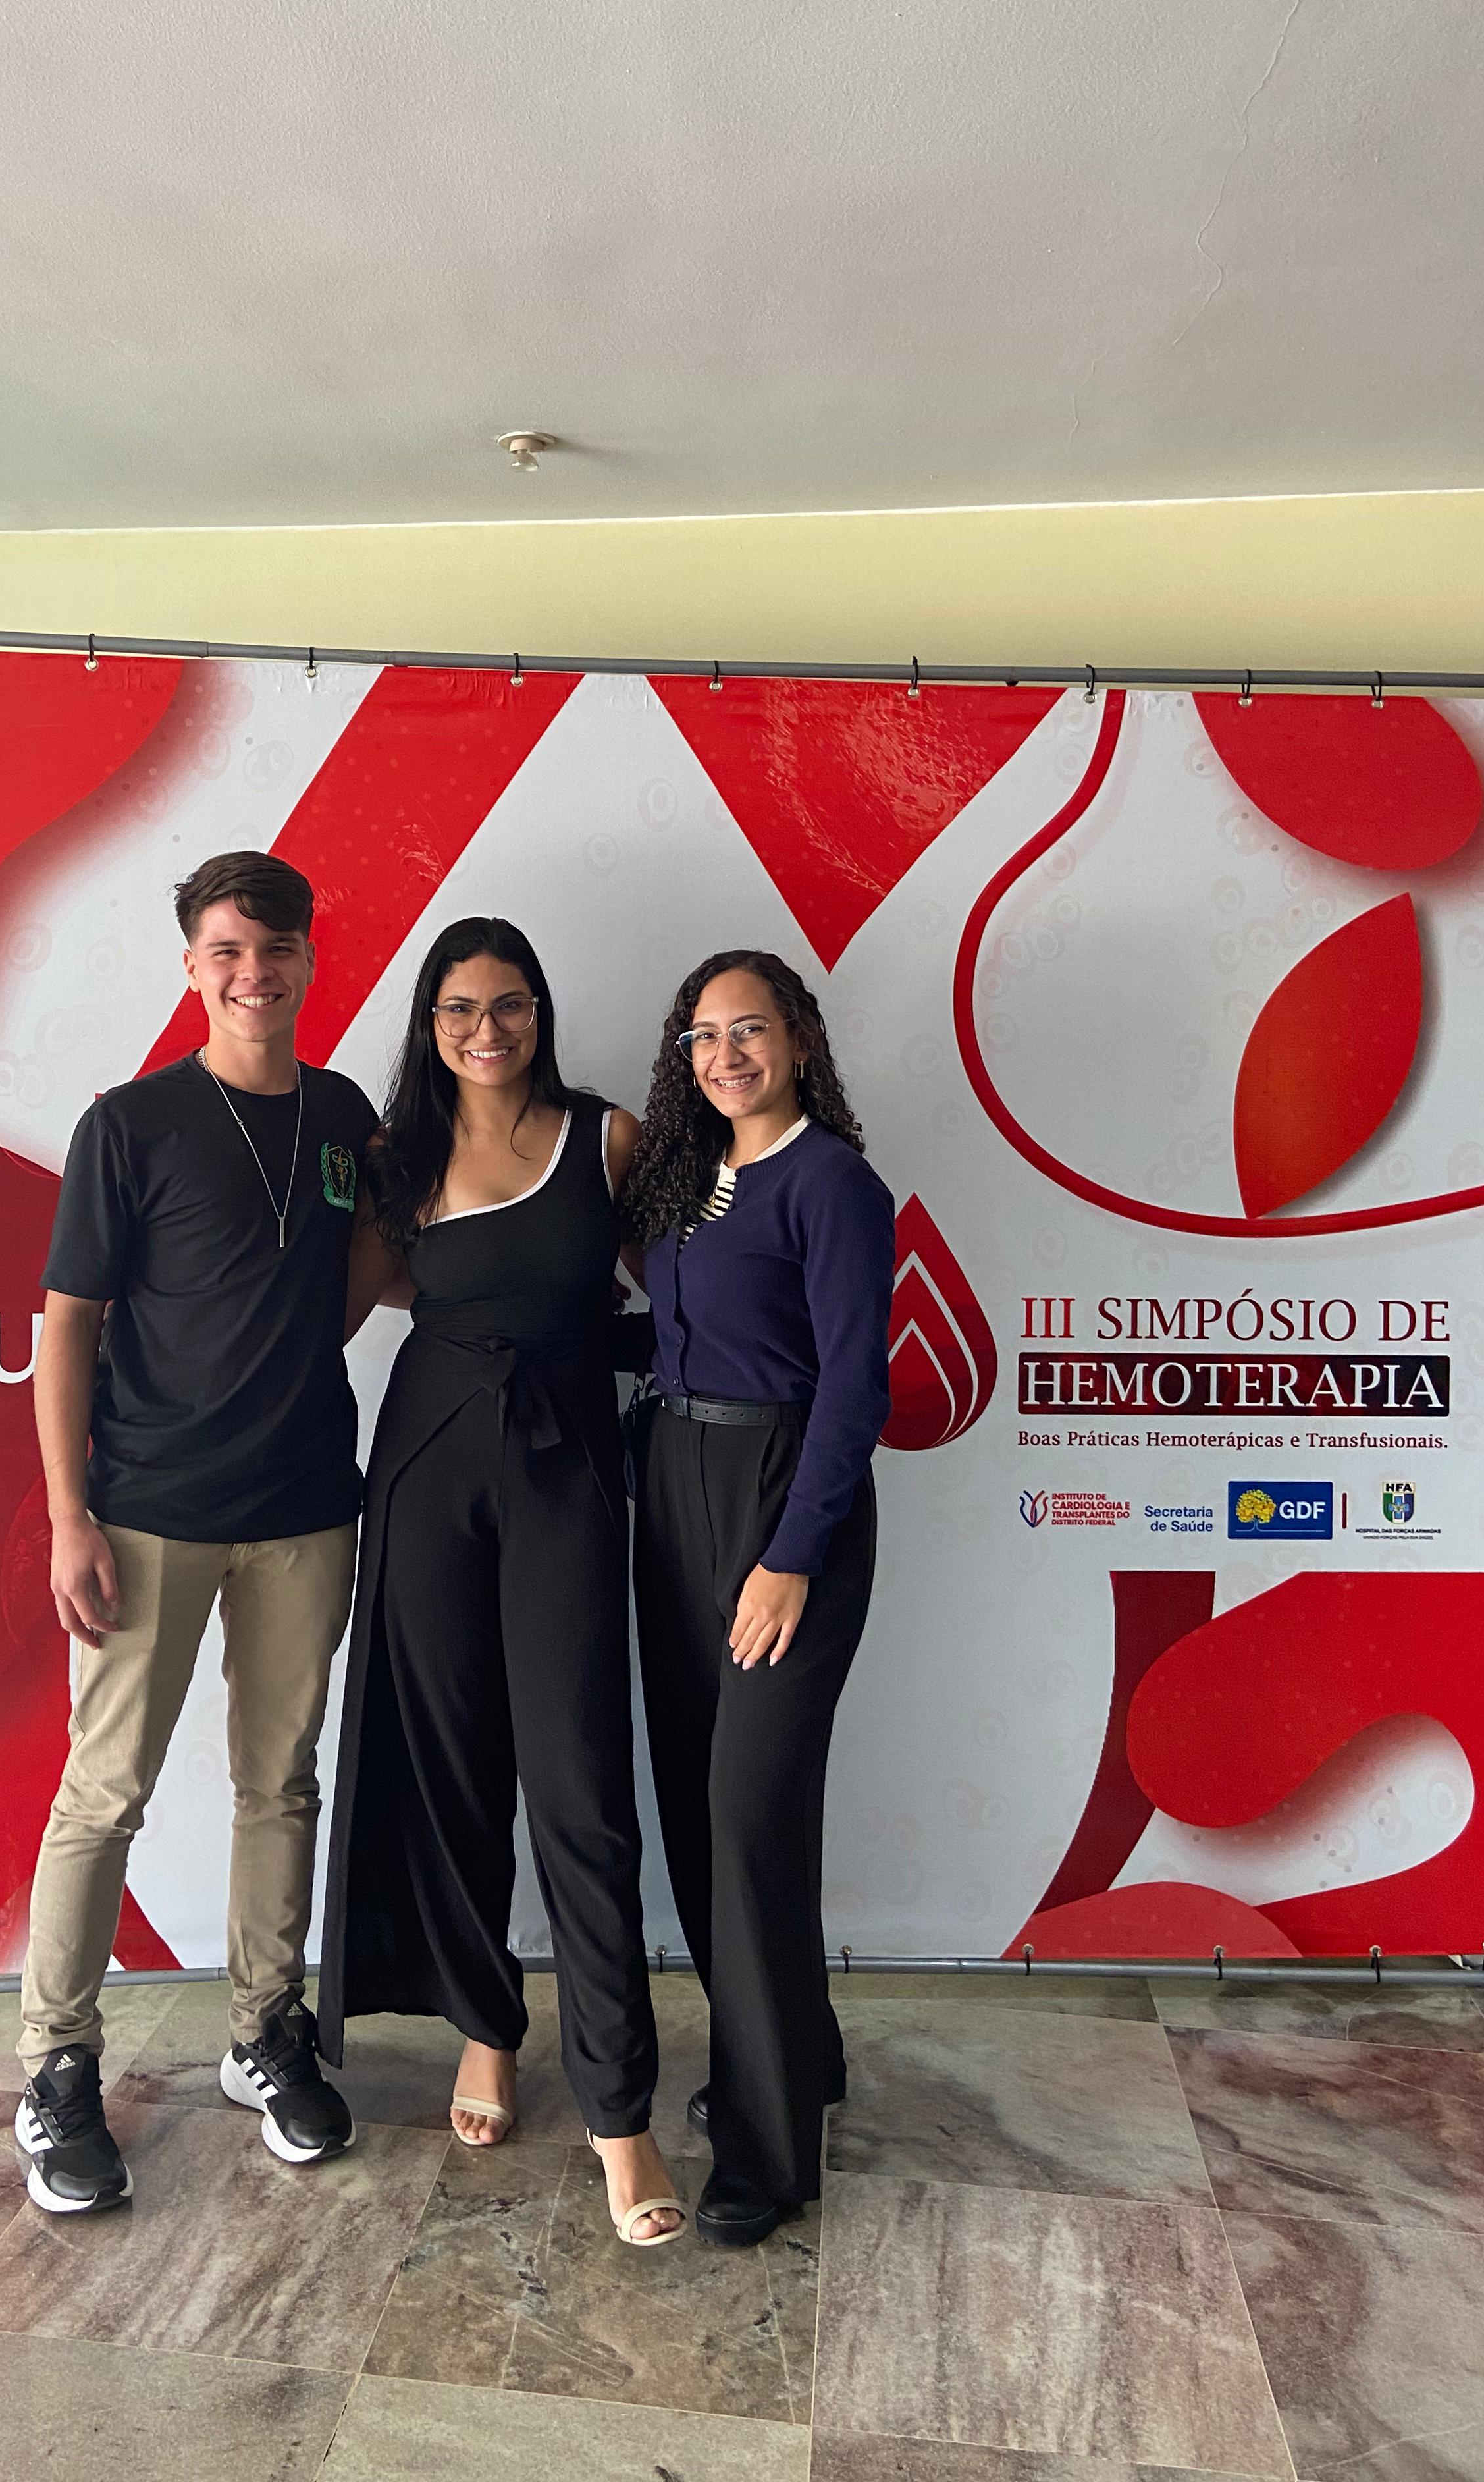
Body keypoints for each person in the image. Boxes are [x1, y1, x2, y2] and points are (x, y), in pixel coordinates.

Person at [13, 850, 381, 2213]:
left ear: (307, 962)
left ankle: (264, 2033)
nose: (253, 973)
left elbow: (357, 1272)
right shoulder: (132, 1123)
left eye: (276, 949)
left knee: (281, 1782)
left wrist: (291, 1349)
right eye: (227, 950)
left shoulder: (343, 1115)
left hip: (305, 1510)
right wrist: (70, 1515)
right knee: (105, 1793)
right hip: (150, 1514)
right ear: (192, 968)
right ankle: (55, 2069)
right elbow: (67, 1324)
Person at [319, 918, 685, 2246]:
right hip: (427, 1467)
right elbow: (335, 1313)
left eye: (512, 1004)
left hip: (567, 1473)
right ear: (431, 1023)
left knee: (582, 1786)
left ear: (541, 1011)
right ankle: (487, 2027)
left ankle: (620, 2114)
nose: (489, 1029)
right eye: (463, 1008)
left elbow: (682, 1296)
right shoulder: (398, 1161)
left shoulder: (609, 1140)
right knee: (453, 1766)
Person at [623, 948, 893, 2248]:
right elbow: (686, 1337)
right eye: (705, 1036)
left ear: (798, 1041)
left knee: (749, 1816)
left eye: (750, 1030)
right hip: (675, 1483)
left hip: (785, 1505)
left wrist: (789, 1558)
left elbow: (854, 1387)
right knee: (695, 1803)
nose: (726, 1055)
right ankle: (800, 2049)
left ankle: (767, 2148)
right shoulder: (686, 1181)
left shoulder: (833, 1183)